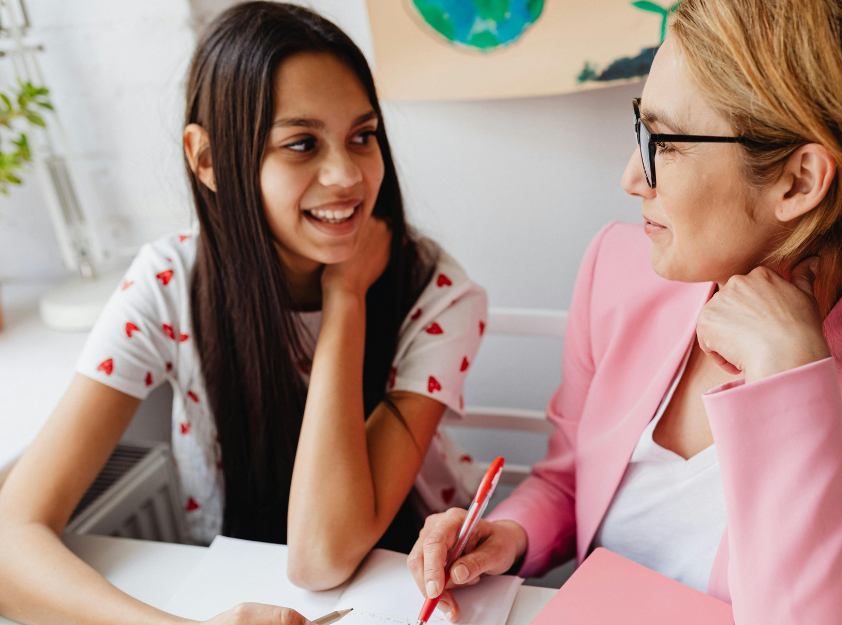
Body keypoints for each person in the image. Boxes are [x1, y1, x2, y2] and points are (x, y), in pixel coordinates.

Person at [407, 1, 842, 623]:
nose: (631, 177)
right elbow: (569, 479)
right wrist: (509, 536)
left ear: (799, 181)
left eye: (664, 142)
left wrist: (792, 380)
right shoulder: (619, 267)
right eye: (641, 129)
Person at [0, 3, 487, 624]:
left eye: (362, 136)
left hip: (421, 588)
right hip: (236, 587)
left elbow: (322, 556)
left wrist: (346, 298)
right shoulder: (170, 285)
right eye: (301, 144)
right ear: (206, 159)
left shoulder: (436, 292)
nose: (346, 175)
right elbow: (10, 542)